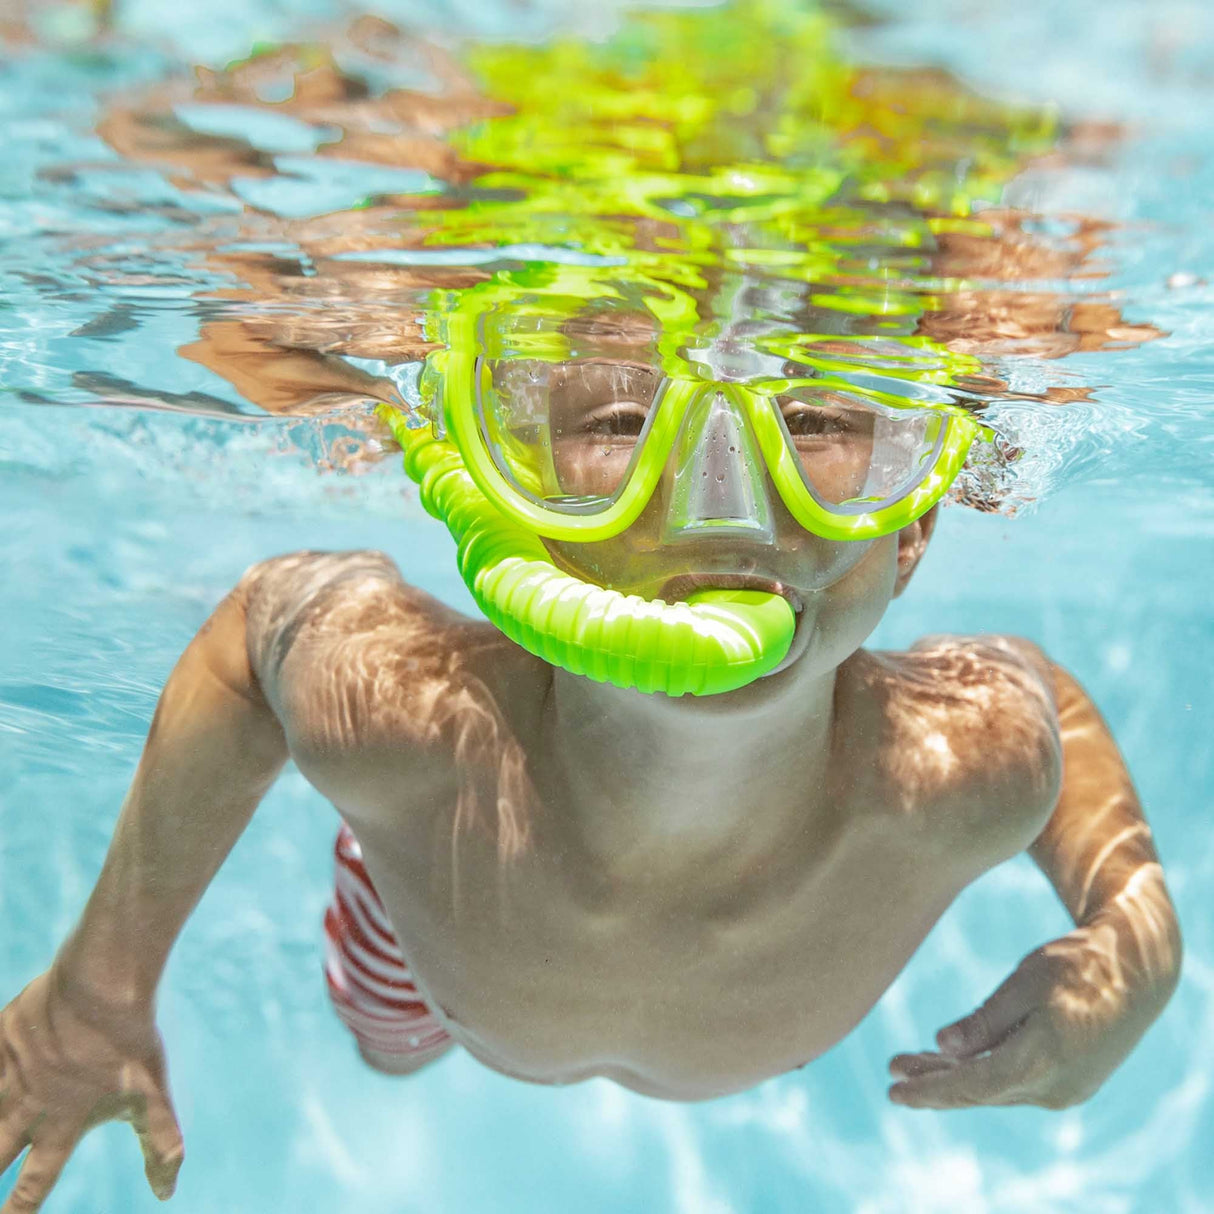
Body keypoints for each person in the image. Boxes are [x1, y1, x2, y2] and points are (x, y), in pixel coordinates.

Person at [0, 264, 1183, 1211]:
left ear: (911, 522)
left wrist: (1138, 935)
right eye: (621, 421)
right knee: (390, 1049)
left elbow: (1045, 701)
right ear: (516, 499)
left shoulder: (962, 773)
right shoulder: (410, 730)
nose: (718, 504)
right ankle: (403, 1037)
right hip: (425, 933)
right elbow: (257, 631)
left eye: (816, 419)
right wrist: (100, 987)